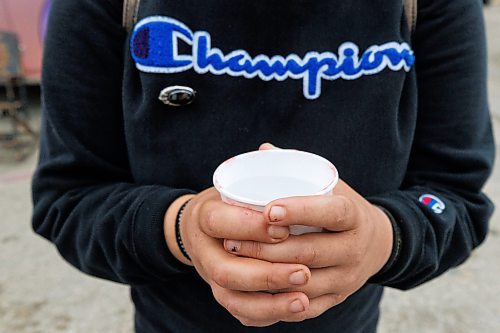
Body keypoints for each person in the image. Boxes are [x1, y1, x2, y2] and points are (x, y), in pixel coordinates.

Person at [31, 0, 495, 332]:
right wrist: (179, 228)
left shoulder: (427, 7)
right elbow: (68, 199)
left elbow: (454, 199)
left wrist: (382, 235)